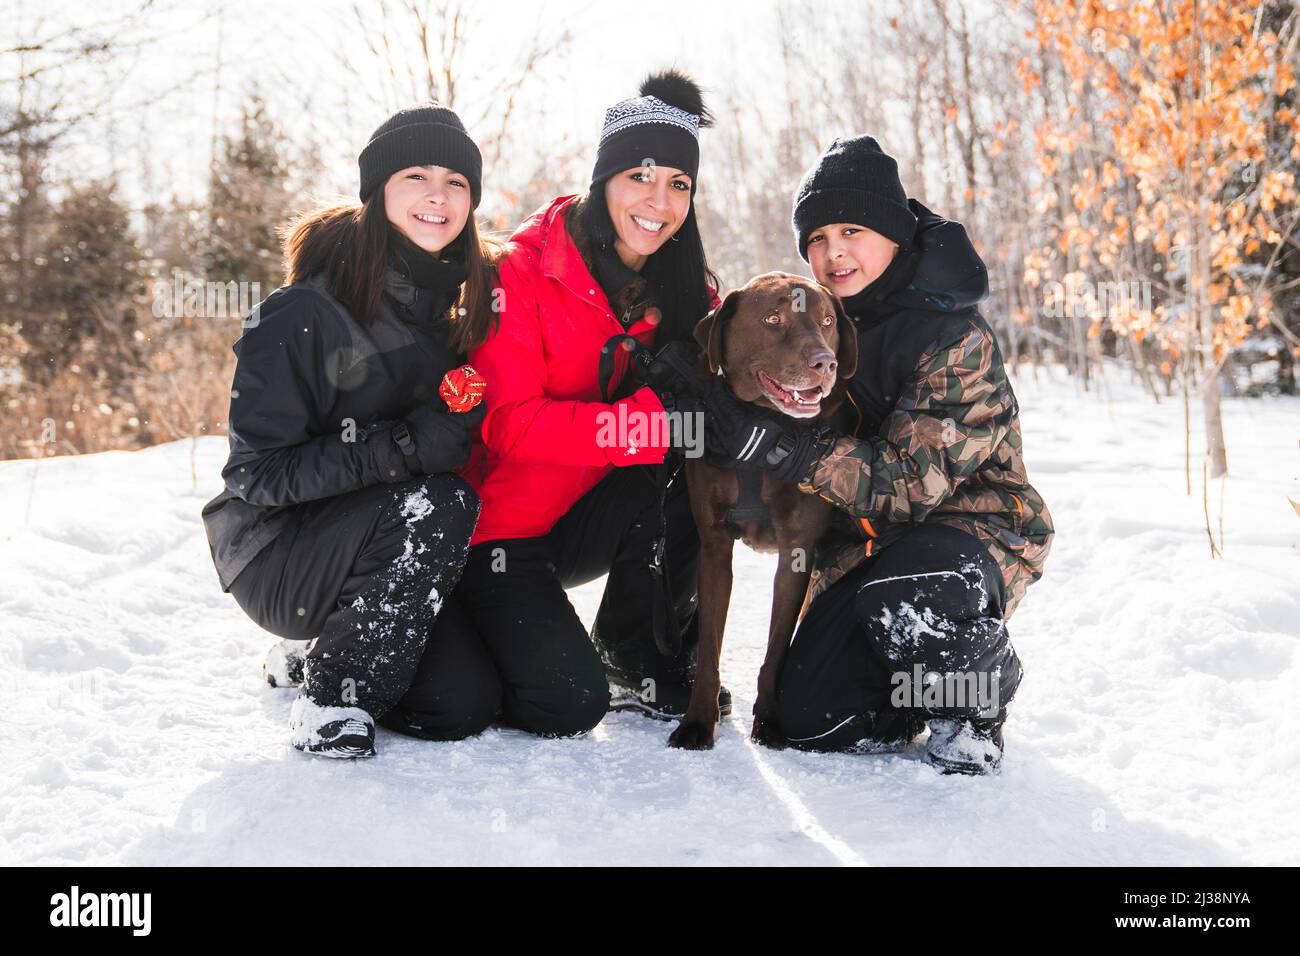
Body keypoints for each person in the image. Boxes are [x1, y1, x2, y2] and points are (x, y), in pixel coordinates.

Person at [696, 135, 1054, 774]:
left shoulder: (952, 335)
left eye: (852, 230)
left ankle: (975, 696)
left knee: (905, 594)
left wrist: (784, 448)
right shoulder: (821, 322)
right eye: (817, 238)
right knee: (810, 717)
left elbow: (911, 484)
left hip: (968, 532)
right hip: (861, 548)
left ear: (893, 232)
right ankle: (905, 692)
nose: (833, 252)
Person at [393, 70, 725, 738]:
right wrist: (651, 423)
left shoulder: (685, 289)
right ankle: (393, 640)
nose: (658, 201)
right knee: (564, 704)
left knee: (688, 462)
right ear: (605, 178)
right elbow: (511, 424)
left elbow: (719, 395)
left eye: (678, 185)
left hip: (577, 522)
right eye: (642, 176)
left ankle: (640, 654)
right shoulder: (518, 272)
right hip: (498, 535)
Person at [201, 104, 501, 758]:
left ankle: (316, 652)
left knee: (460, 705)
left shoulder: (451, 309)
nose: (437, 195)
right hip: (273, 551)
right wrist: (407, 447)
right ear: (378, 192)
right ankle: (332, 702)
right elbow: (258, 475)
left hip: (374, 542)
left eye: (456, 181)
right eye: (415, 175)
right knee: (442, 498)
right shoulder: (301, 313)